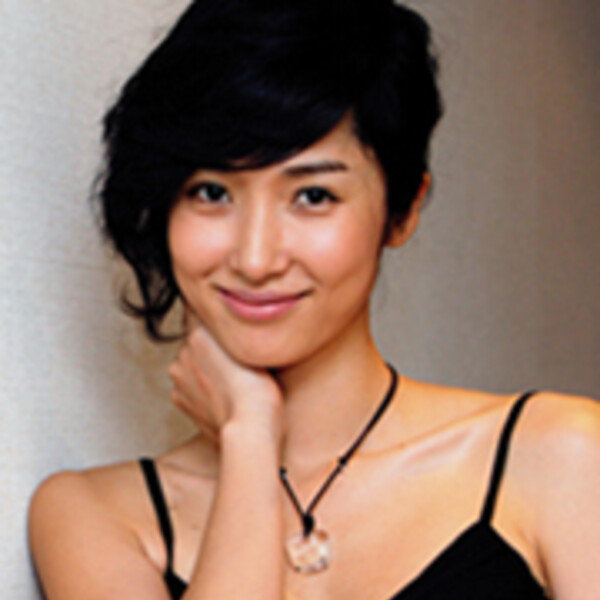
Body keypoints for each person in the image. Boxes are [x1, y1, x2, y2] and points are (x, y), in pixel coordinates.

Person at [28, 1, 599, 599]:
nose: (255, 259)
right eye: (212, 191)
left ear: (403, 211)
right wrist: (249, 438)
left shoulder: (558, 456)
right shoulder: (95, 516)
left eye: (314, 196)